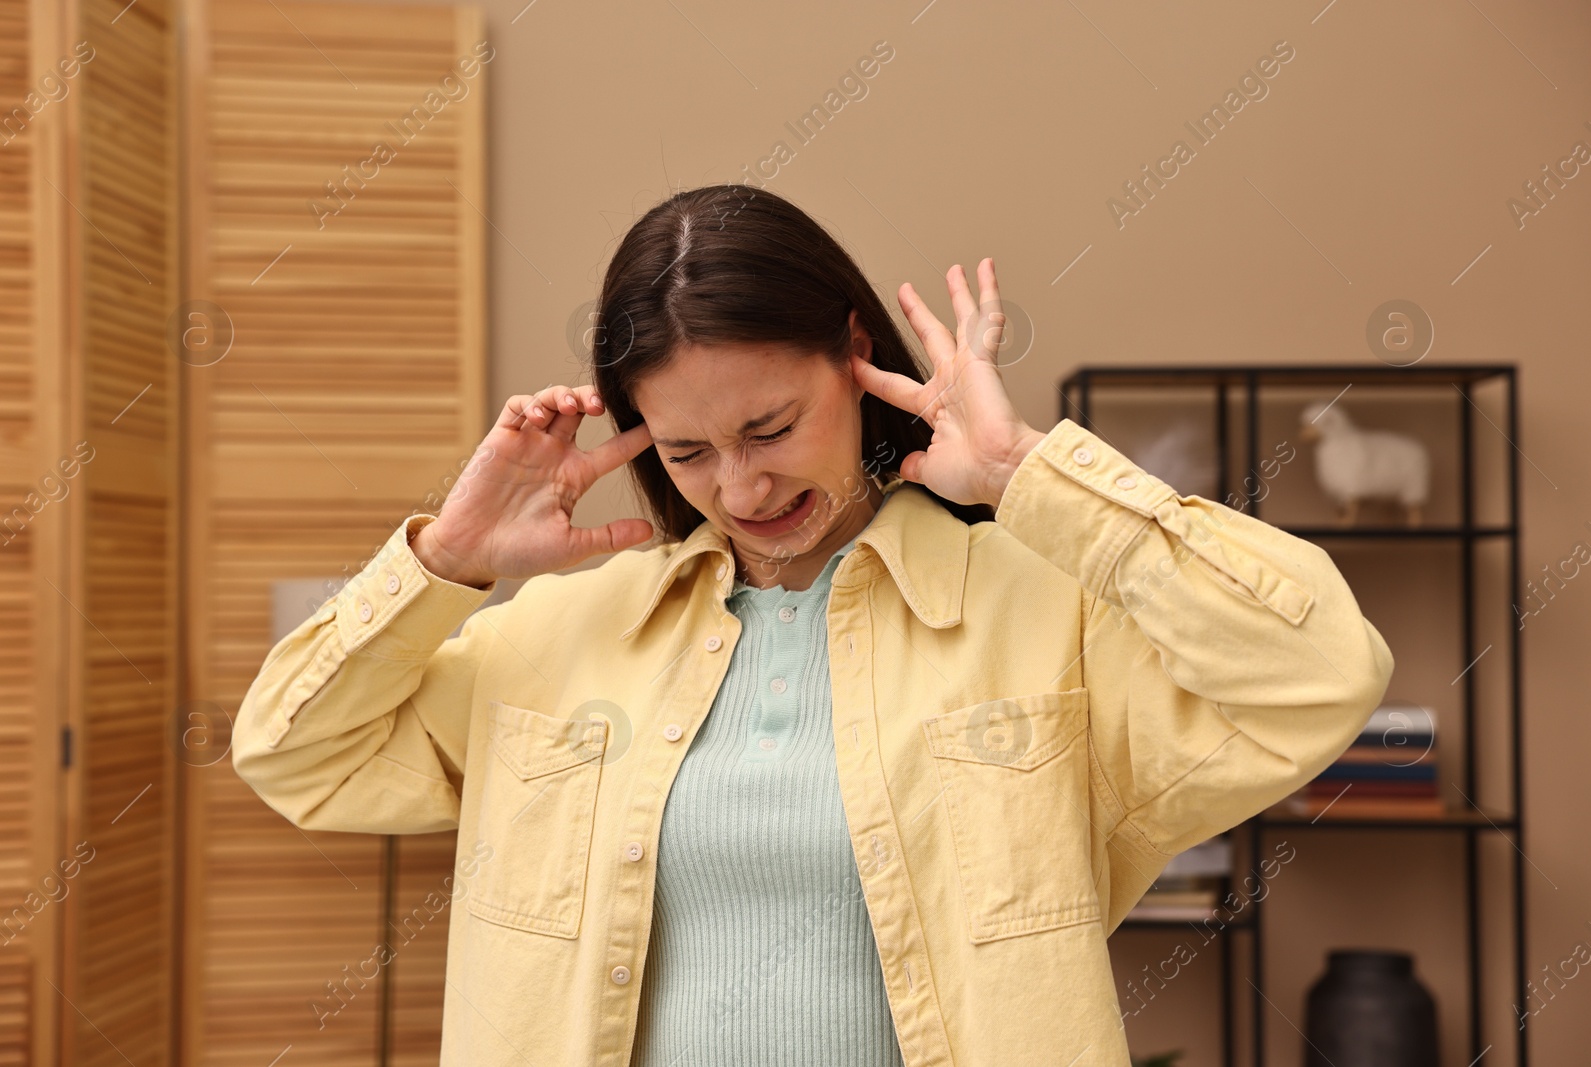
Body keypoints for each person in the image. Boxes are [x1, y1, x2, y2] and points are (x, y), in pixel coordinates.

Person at [232, 184, 1394, 1066]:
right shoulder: (559, 634)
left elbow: (1320, 668)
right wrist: (445, 562)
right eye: (686, 450)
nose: (738, 488)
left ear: (854, 355)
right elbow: (295, 755)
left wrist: (1032, 475)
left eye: (770, 426)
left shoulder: (1037, 611)